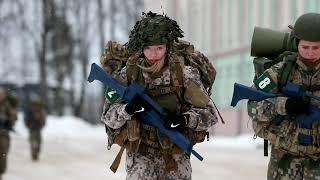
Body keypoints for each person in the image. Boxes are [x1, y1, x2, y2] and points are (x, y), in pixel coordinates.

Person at [101, 11, 218, 179]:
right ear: (140, 47)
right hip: (140, 157)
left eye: (159, 48)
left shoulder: (183, 74)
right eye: (148, 48)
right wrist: (128, 109)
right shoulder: (128, 73)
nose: (154, 54)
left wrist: (184, 119)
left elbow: (210, 115)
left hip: (175, 154)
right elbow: (108, 116)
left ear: (168, 47)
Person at [247, 13, 320, 179]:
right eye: (305, 47)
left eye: (316, 48)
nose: (310, 53)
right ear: (296, 44)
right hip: (285, 158)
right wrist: (283, 105)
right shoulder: (279, 72)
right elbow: (252, 105)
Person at [0, 87, 17, 179]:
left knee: (3, 152)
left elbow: (13, 117)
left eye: (1, 95)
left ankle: (1, 171)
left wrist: (8, 122)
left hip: (3, 133)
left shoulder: (7, 105)